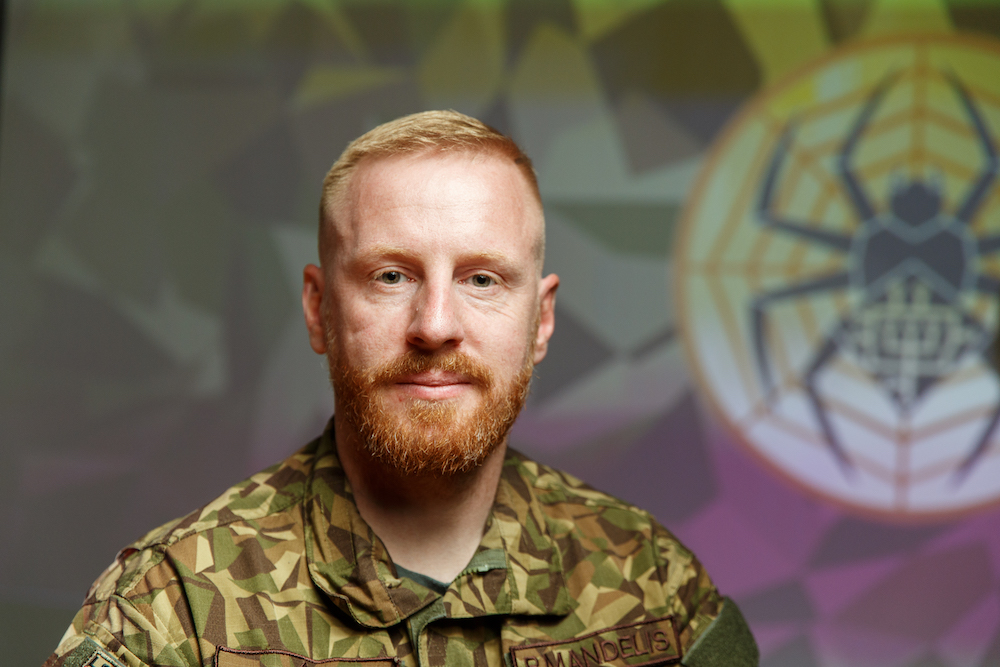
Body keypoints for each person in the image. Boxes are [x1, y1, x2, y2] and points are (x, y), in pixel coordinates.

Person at [44, 111, 758, 667]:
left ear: (540, 321)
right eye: (391, 276)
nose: (435, 325)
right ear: (319, 309)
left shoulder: (653, 587)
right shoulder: (173, 608)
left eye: (482, 278)